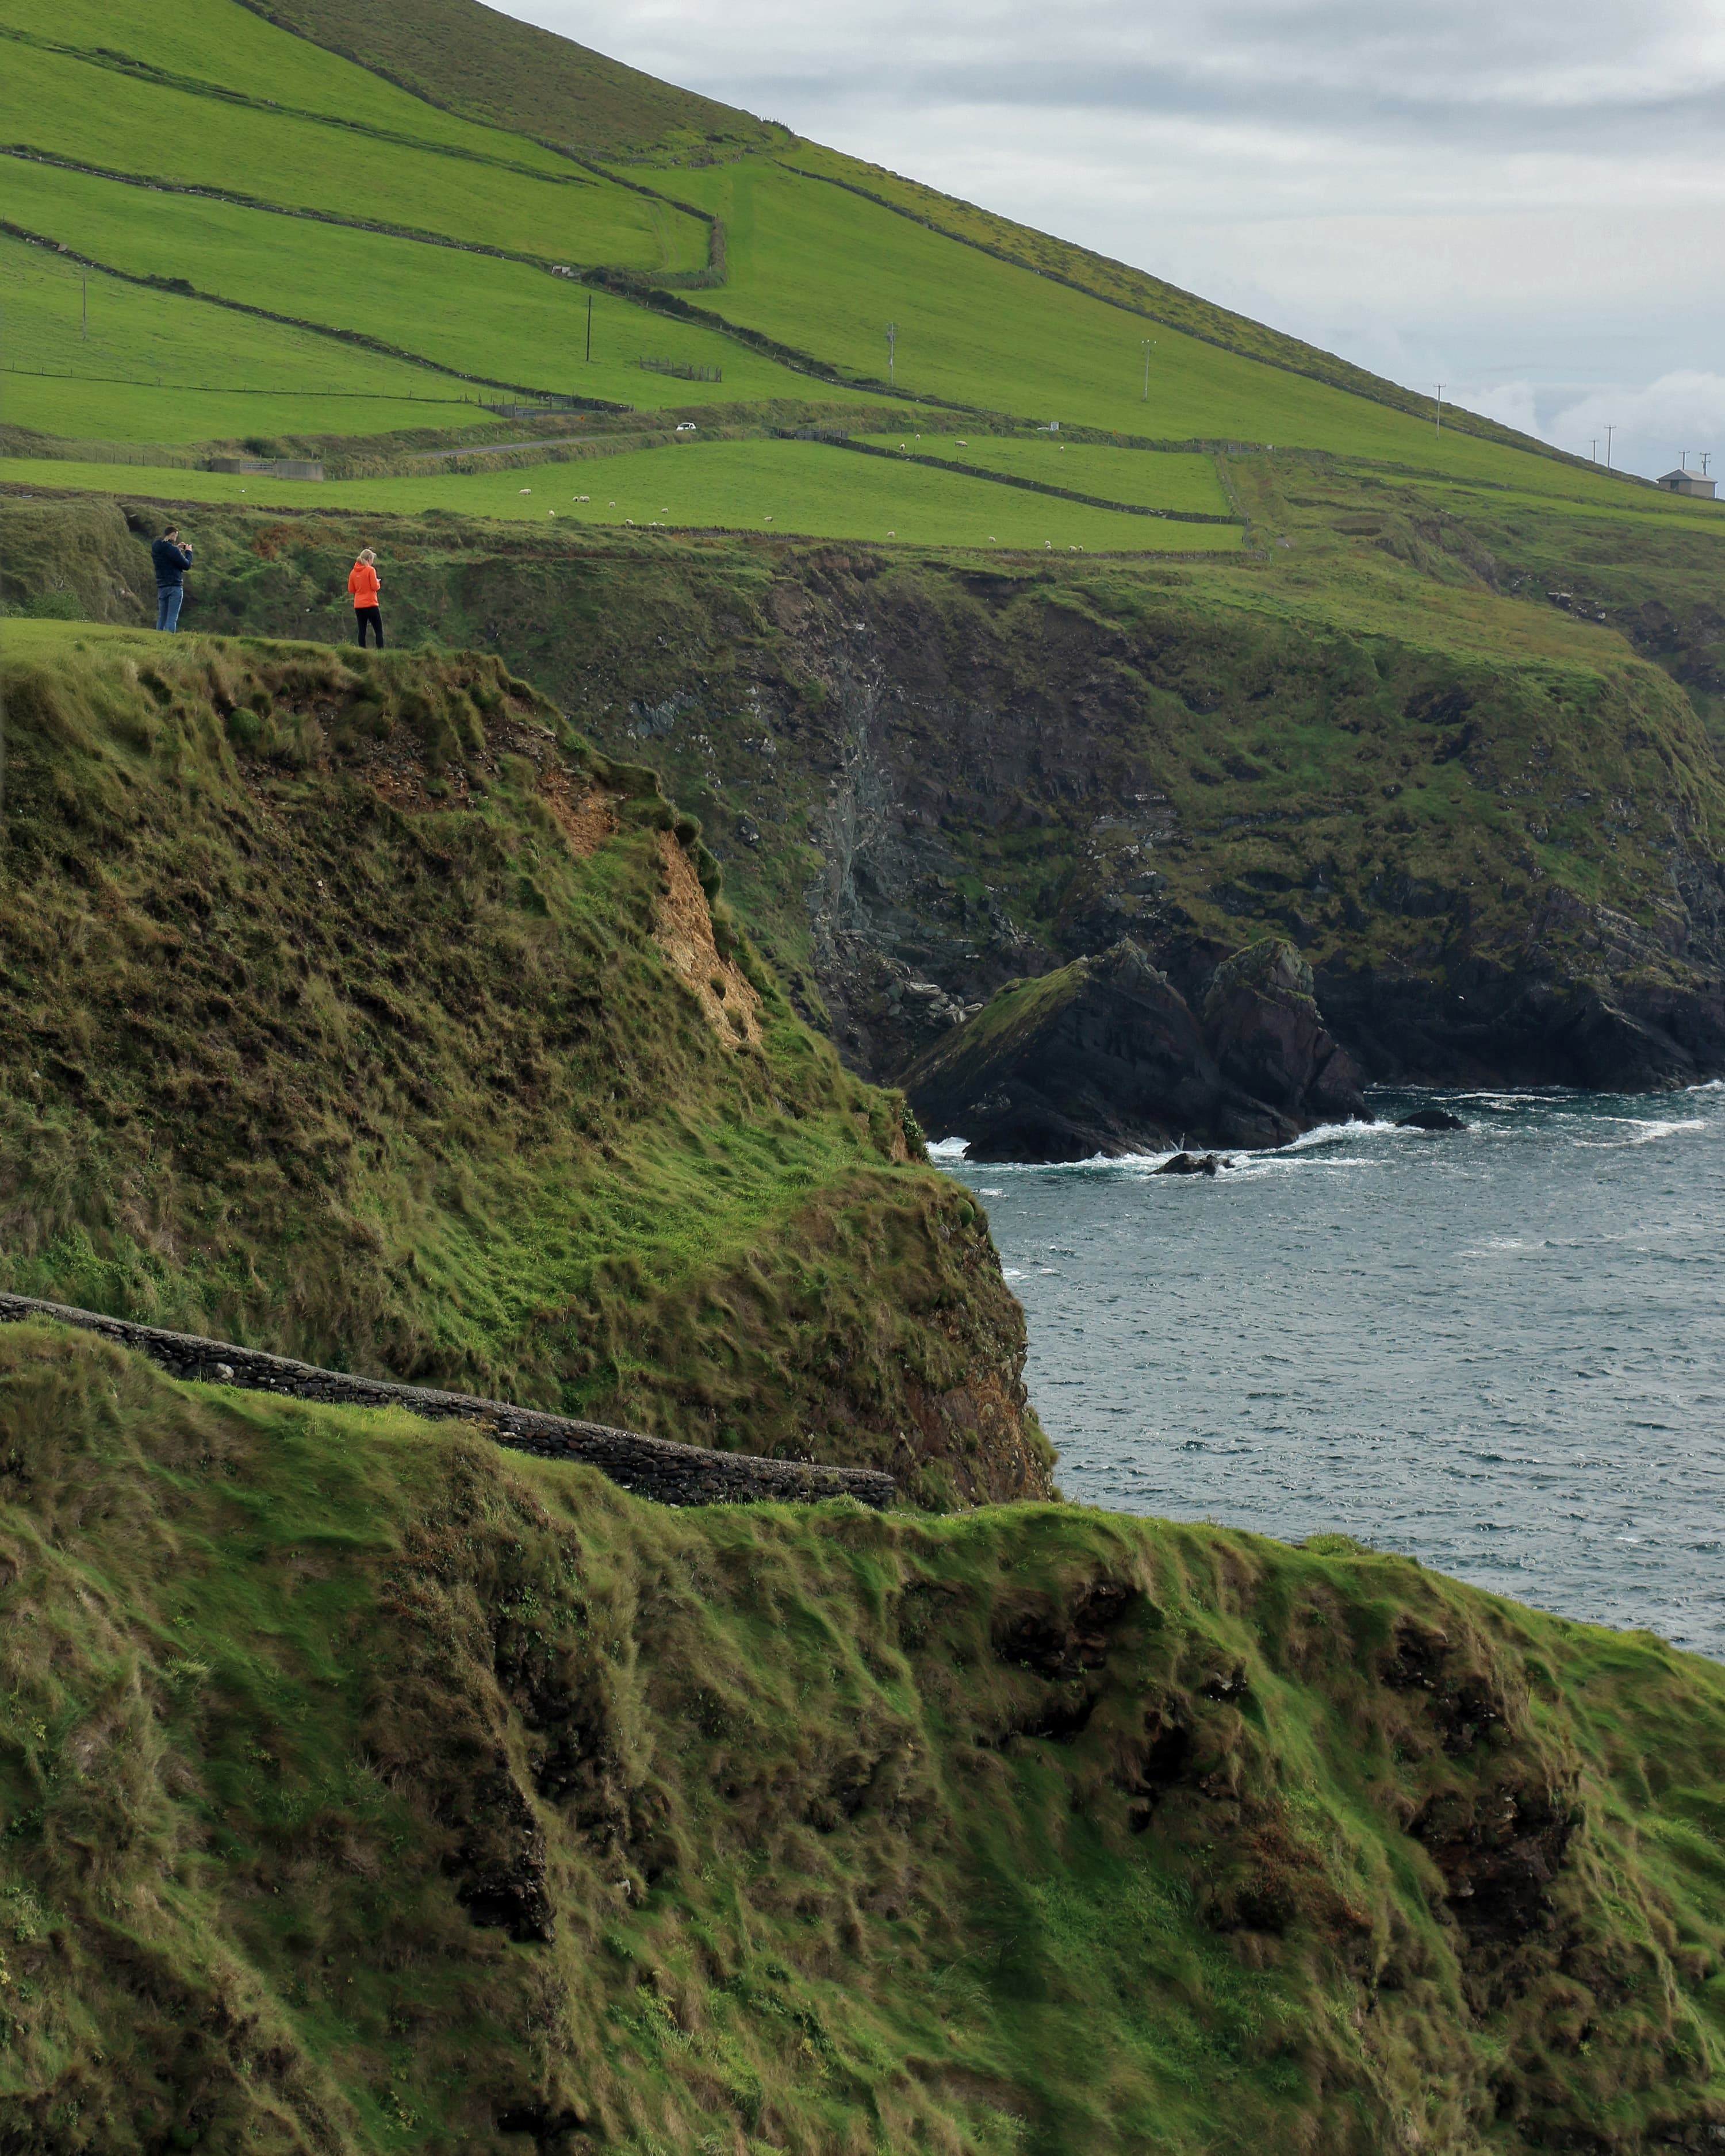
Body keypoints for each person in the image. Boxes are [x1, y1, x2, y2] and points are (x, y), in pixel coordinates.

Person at [151, 525, 193, 631]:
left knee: (162, 617)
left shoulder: (157, 547)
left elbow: (167, 555)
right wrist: (188, 552)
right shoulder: (172, 551)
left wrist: (177, 549)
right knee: (171, 619)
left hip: (162, 586)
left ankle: (158, 639)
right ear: (173, 535)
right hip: (174, 586)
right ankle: (168, 641)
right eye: (176, 536)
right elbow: (186, 565)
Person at [347, 548, 382, 647]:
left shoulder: (353, 572)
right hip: (371, 603)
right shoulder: (370, 570)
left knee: (362, 630)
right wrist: (378, 582)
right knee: (378, 630)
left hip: (359, 605)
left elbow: (351, 590)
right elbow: (374, 587)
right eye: (372, 560)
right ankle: (381, 651)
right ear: (369, 559)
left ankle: (362, 650)